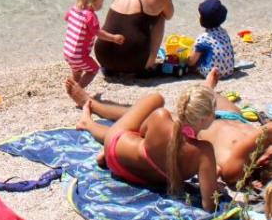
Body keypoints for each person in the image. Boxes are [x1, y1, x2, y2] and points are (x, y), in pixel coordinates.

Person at [70, 76, 272, 196]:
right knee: (205, 96)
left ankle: (92, 108)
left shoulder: (237, 166)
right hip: (232, 117)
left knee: (142, 118)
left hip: (203, 124)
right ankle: (207, 87)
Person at [73, 83, 222, 210]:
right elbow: (210, 205)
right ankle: (89, 125)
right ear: (202, 120)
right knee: (138, 132)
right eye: (213, 111)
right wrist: (209, 176)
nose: (215, 114)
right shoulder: (204, 152)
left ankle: (89, 124)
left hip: (116, 157)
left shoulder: (160, 117)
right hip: (144, 177)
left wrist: (161, 144)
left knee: (156, 99)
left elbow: (141, 132)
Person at [94, 0, 175, 76]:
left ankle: (113, 66)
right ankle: (149, 65)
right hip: (134, 62)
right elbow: (169, 15)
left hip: (103, 56)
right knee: (161, 15)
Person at [63, 0, 125, 89]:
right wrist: (113, 38)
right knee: (94, 69)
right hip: (79, 55)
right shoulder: (90, 16)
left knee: (77, 71)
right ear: (94, 2)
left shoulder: (73, 9)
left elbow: (66, 17)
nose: (102, 3)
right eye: (102, 1)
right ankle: (78, 91)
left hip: (67, 52)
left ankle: (71, 88)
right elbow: (98, 33)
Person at [190, 0, 237, 78]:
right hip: (229, 70)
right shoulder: (224, 32)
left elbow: (191, 62)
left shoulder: (202, 38)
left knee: (196, 58)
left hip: (211, 74)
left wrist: (188, 60)